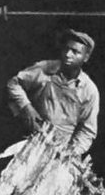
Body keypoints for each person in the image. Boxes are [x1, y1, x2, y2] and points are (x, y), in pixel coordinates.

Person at [6, 28, 99, 156]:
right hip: (29, 141)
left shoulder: (89, 90)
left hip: (59, 152)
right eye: (66, 49)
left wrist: (70, 152)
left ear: (86, 57)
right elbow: (14, 83)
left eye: (75, 52)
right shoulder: (44, 69)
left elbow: (87, 131)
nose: (68, 54)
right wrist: (26, 107)